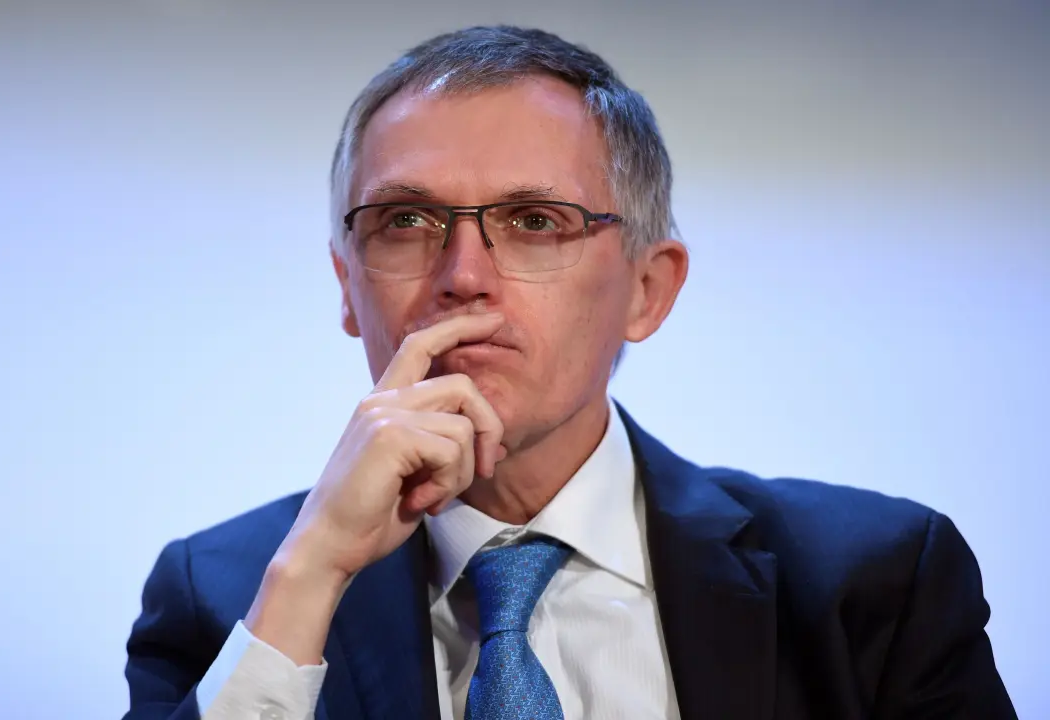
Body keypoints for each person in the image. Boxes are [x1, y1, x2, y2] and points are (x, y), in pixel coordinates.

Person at [122, 25, 1014, 720]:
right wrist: (311, 575)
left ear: (647, 291)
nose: (462, 276)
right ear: (347, 287)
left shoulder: (874, 582)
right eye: (405, 222)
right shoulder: (229, 595)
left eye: (535, 222)